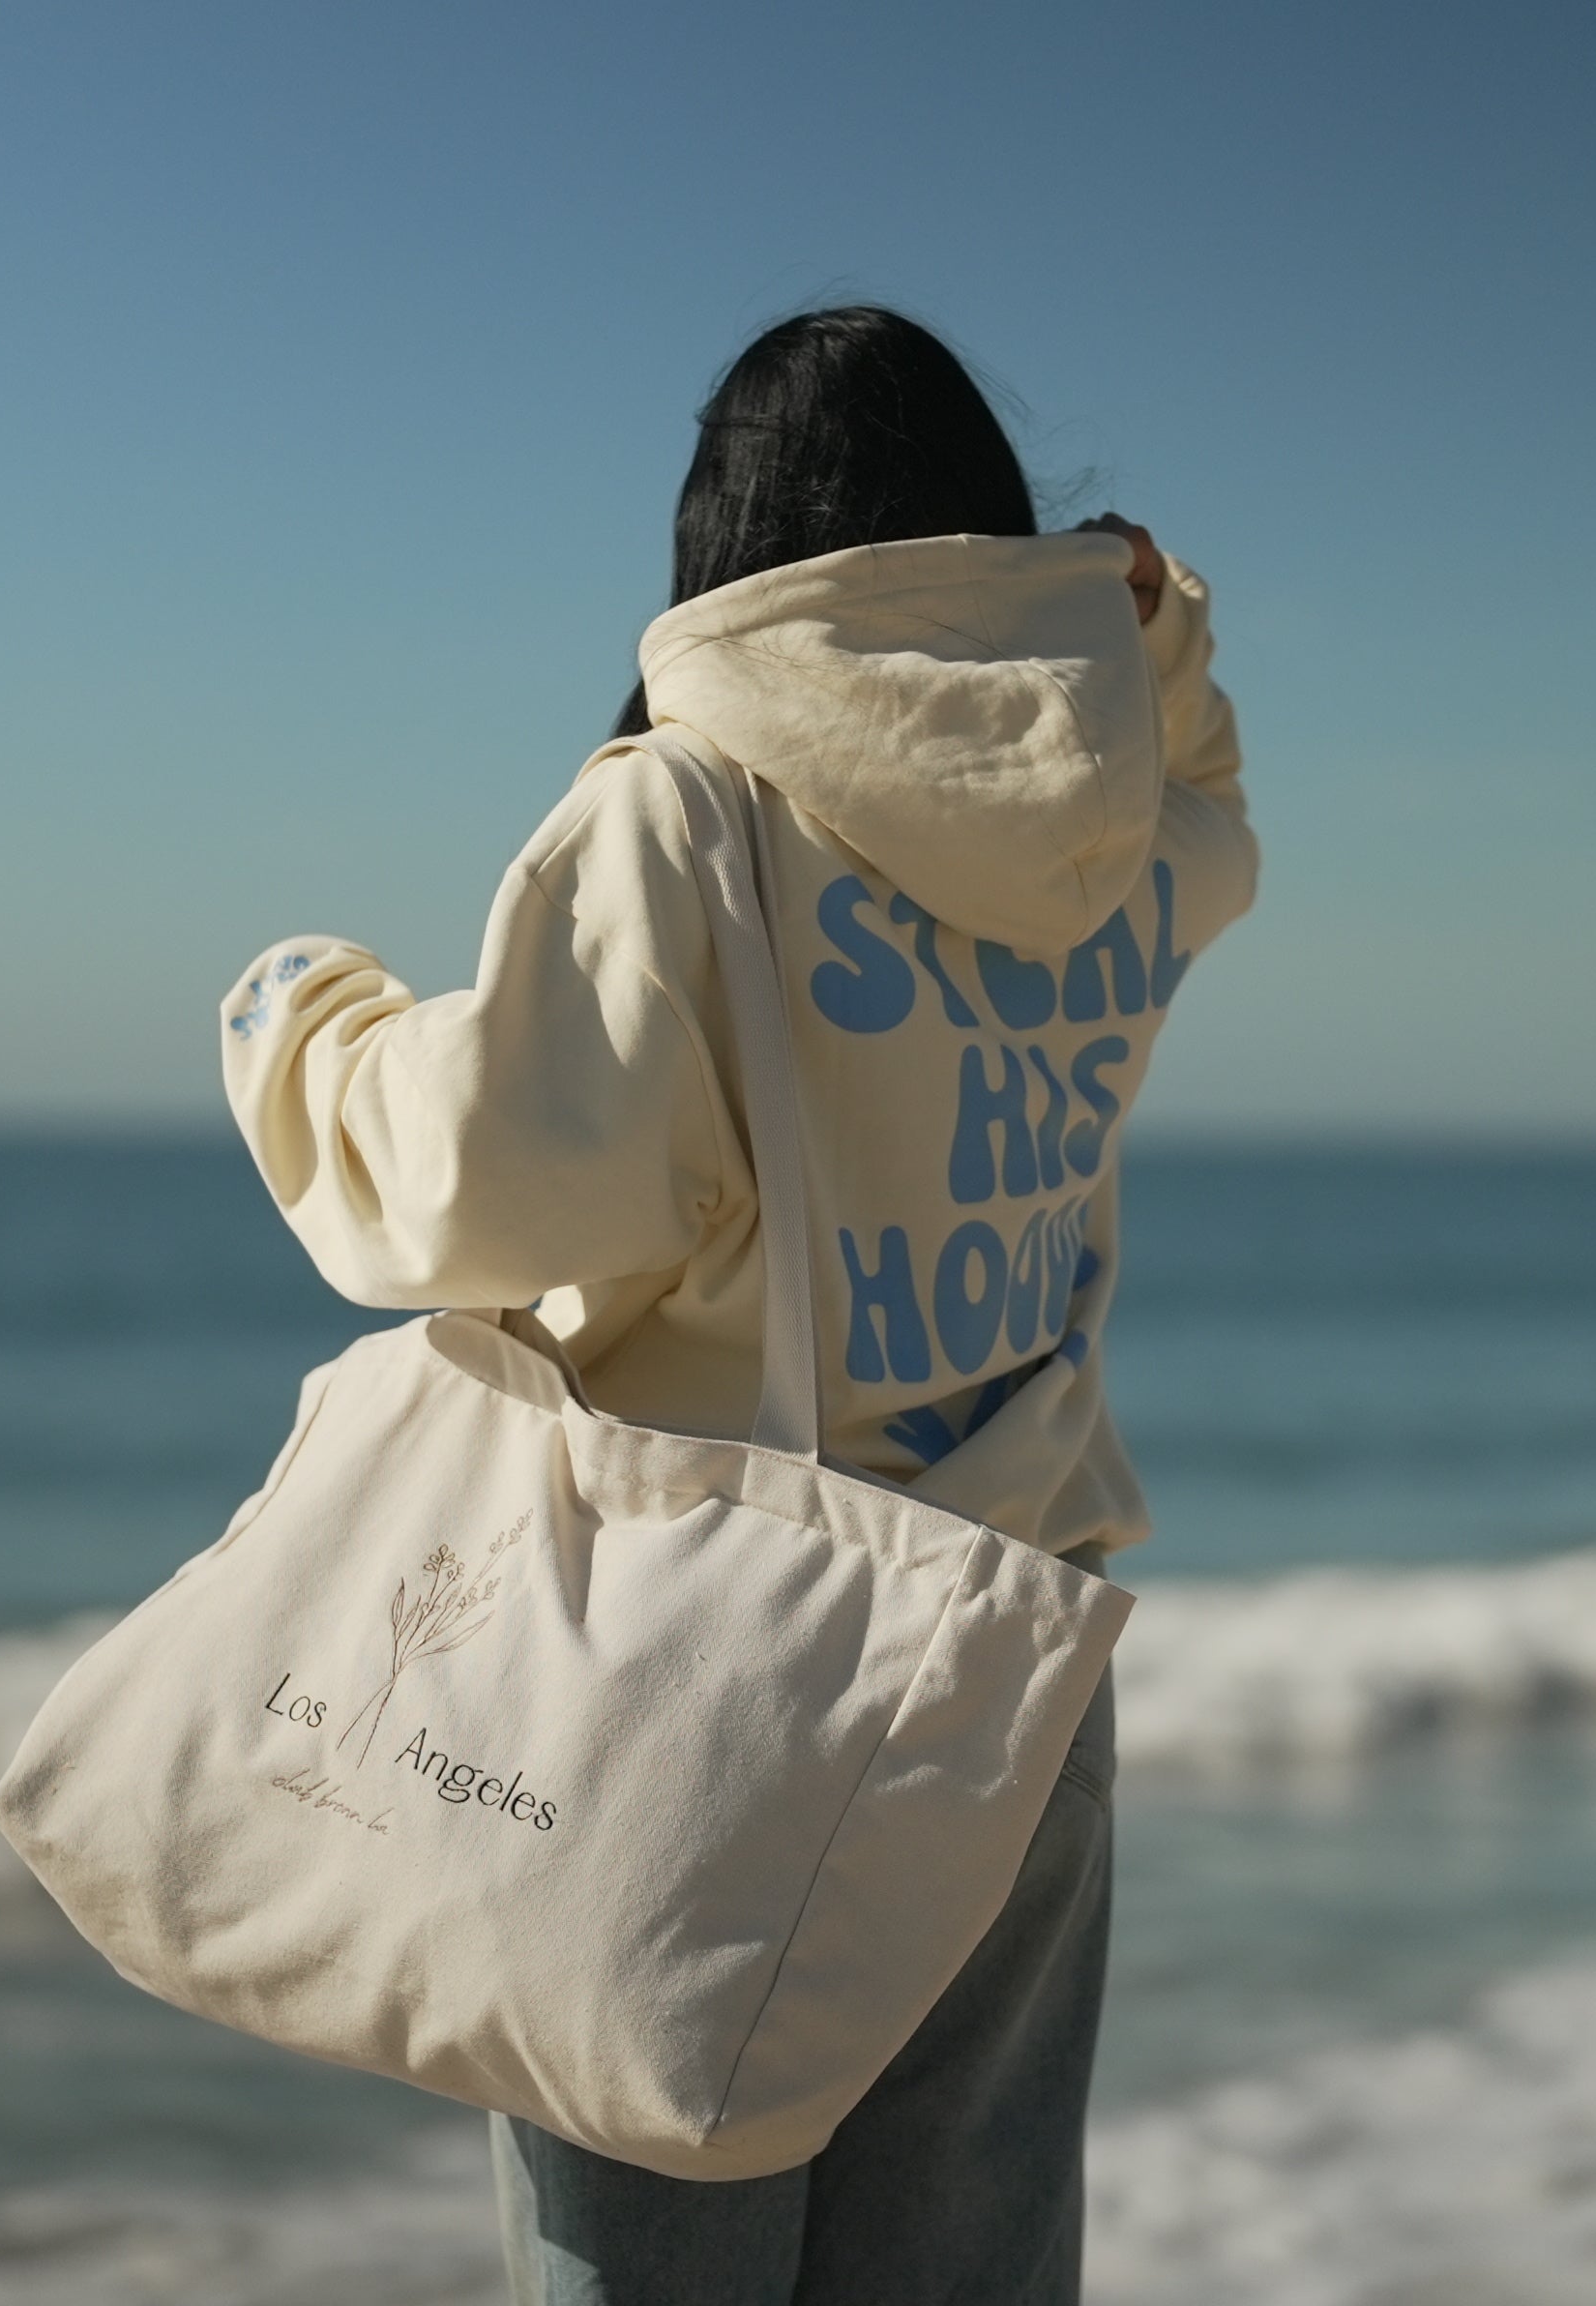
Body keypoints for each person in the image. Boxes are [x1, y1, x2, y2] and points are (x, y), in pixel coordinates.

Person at [215, 304, 1255, 2306]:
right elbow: (1210, 800)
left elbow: (464, 1186)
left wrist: (295, 1019)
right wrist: (1148, 625)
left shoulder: (680, 818)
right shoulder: (1109, 850)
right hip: (1015, 1676)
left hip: (717, 1701)